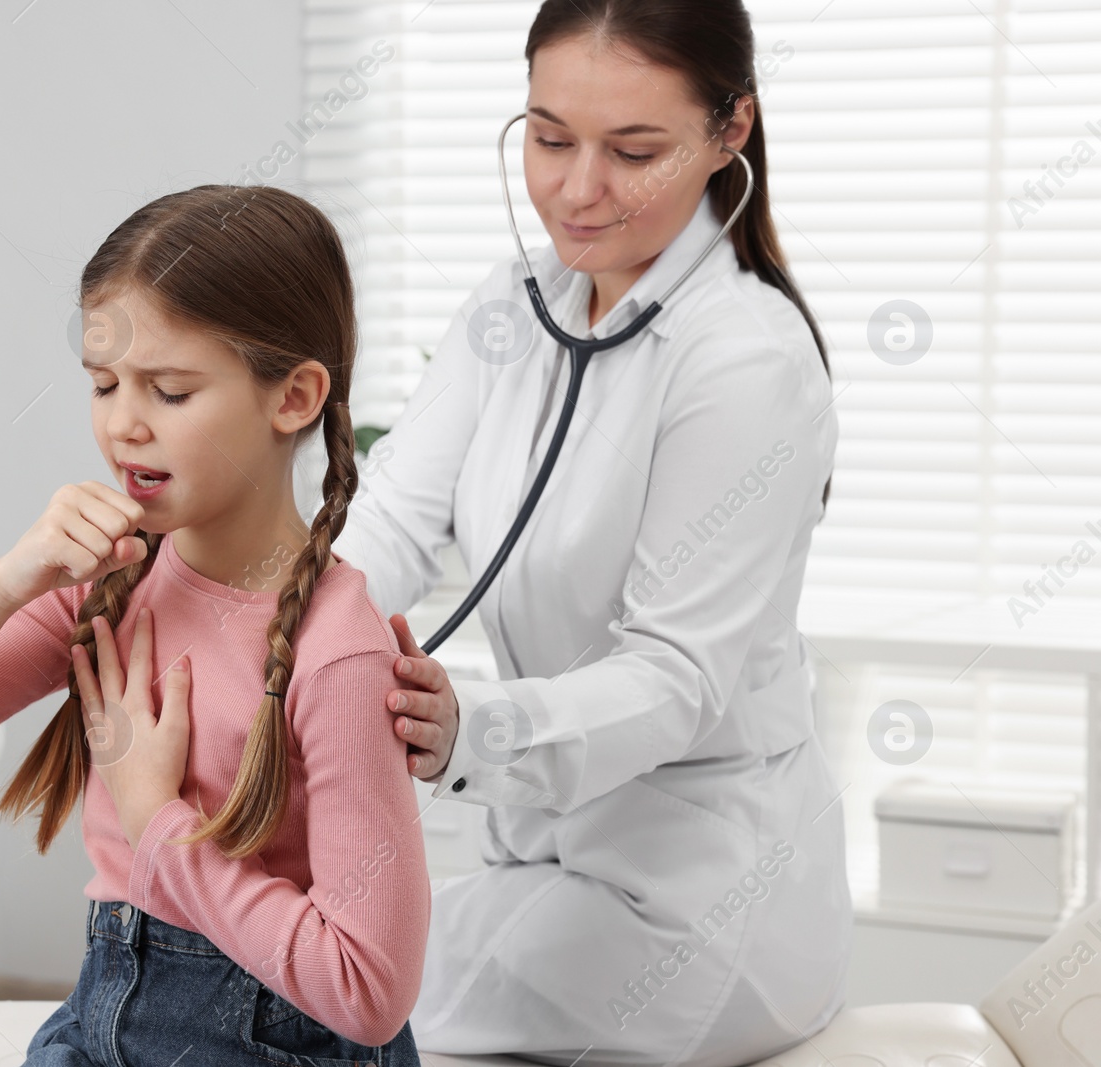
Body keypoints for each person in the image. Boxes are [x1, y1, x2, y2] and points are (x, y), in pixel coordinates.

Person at [331, 2, 852, 1064]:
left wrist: (468, 728)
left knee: (309, 1000)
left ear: (729, 131)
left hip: (696, 900)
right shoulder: (511, 305)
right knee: (285, 974)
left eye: (634, 150)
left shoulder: (743, 359)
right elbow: (391, 517)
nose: (576, 187)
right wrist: (268, 633)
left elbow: (672, 672)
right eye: (550, 137)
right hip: (544, 862)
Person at [0, 184, 430, 1065]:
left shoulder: (337, 651)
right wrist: (0, 587)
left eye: (171, 391)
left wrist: (160, 822)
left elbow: (367, 991)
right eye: (104, 384)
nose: (121, 424)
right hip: (100, 1023)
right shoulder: (109, 582)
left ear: (295, 397)